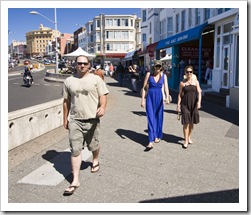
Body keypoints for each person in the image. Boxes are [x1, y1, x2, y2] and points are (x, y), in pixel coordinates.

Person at [62, 55, 109, 195]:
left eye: (84, 63)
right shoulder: (68, 81)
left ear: (89, 65)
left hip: (92, 119)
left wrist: (103, 107)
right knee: (75, 149)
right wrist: (65, 119)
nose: (82, 66)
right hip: (75, 120)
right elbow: (66, 101)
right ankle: (75, 180)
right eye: (79, 63)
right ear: (75, 65)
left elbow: (103, 95)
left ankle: (95, 159)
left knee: (93, 145)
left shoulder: (96, 79)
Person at [141, 60, 170, 151]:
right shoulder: (149, 75)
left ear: (161, 67)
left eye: (159, 66)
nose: (157, 68)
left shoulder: (164, 76)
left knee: (158, 117)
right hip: (150, 98)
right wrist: (142, 100)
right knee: (150, 117)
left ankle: (157, 135)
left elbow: (166, 88)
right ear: (153, 67)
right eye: (156, 66)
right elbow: (144, 88)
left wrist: (167, 97)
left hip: (159, 98)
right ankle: (150, 141)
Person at [176, 65, 202, 149]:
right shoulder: (182, 83)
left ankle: (189, 136)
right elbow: (180, 95)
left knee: (191, 123)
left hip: (193, 104)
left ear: (192, 72)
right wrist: (178, 105)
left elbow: (199, 92)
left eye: (190, 72)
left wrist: (199, 102)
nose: (189, 73)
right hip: (185, 105)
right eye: (187, 72)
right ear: (185, 73)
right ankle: (186, 140)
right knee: (186, 123)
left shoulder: (196, 82)